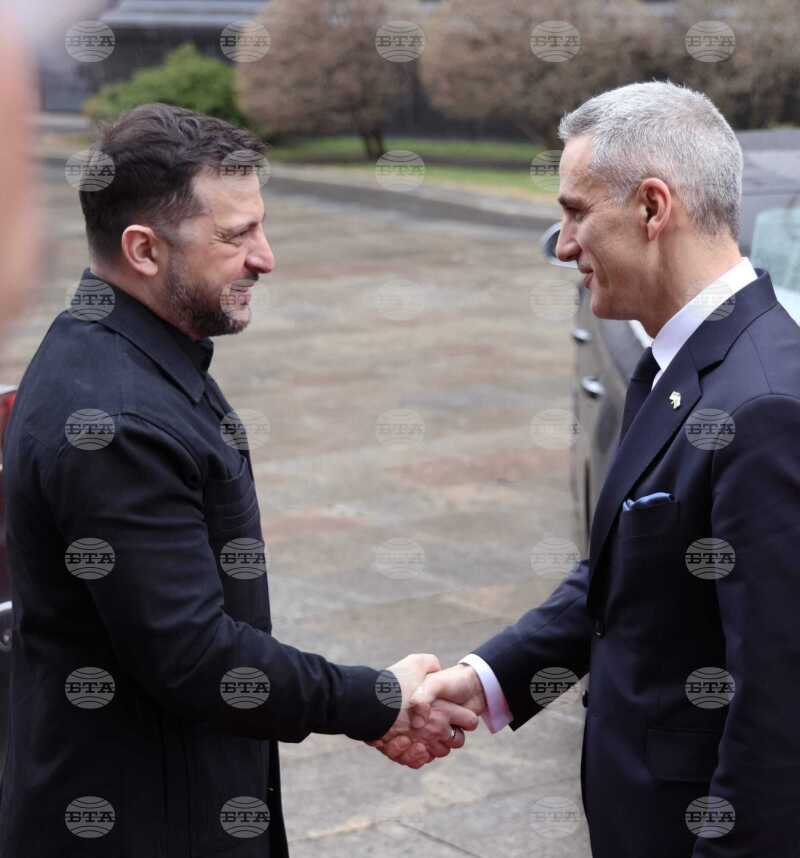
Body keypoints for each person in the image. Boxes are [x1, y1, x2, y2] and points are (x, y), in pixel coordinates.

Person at [0, 103, 477, 858]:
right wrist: (372, 699)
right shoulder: (115, 421)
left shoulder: (124, 349)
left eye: (261, 227)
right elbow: (194, 655)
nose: (266, 258)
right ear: (144, 249)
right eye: (236, 236)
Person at [376, 80, 800, 856]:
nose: (564, 245)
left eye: (576, 213)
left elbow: (779, 709)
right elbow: (628, 573)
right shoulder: (678, 362)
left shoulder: (764, 407)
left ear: (652, 208)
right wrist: (490, 677)